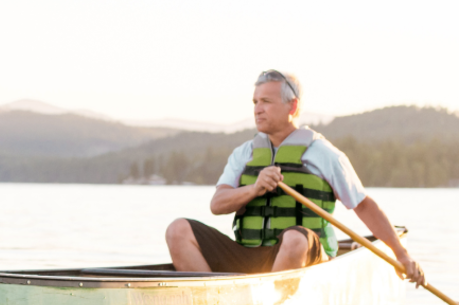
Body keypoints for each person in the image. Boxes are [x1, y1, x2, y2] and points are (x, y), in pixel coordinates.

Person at [162, 70, 425, 286]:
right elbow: (217, 204)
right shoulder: (244, 153)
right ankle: (214, 302)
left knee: (294, 239)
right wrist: (254, 189)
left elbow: (363, 205)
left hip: (306, 255)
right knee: (178, 230)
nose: (258, 109)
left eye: (266, 101)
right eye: (255, 102)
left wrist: (401, 255)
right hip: (251, 256)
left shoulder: (322, 153)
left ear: (293, 105)